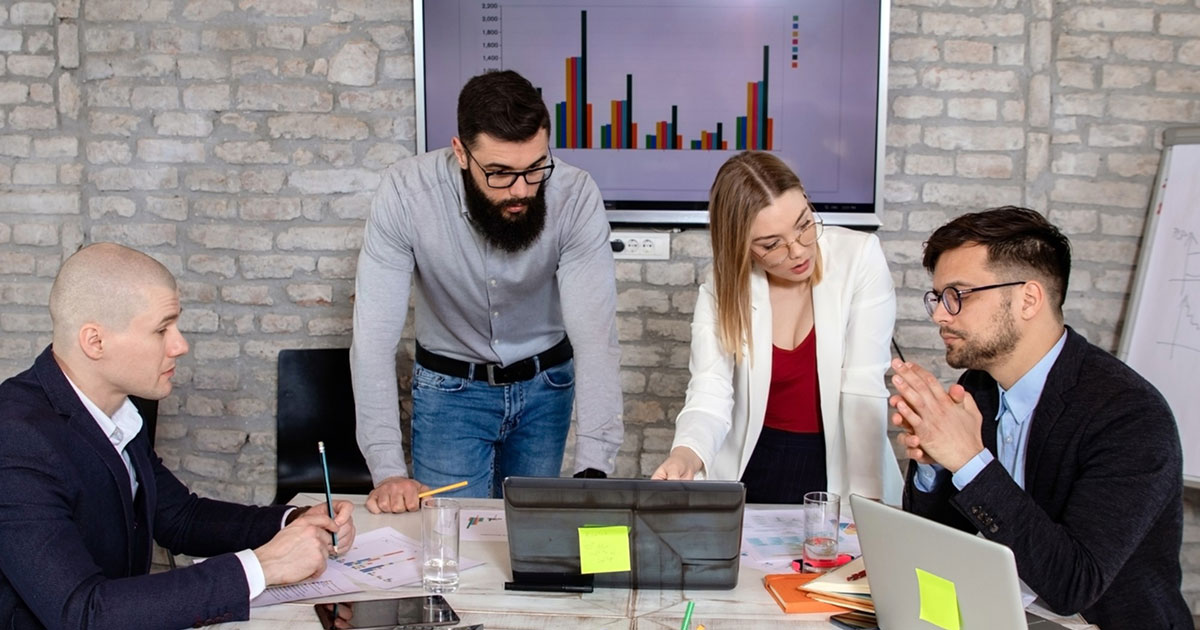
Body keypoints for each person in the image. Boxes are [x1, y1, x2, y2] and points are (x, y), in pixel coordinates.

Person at [0, 243, 357, 630]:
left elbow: (179, 517)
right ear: (95, 341)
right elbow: (84, 613)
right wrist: (265, 566)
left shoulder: (114, 409)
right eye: (161, 329)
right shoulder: (16, 439)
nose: (180, 345)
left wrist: (293, 521)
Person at [893, 207, 1191, 629]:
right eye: (939, 297)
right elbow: (945, 541)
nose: (941, 314)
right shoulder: (978, 384)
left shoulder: (1131, 417)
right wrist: (935, 464)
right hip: (1001, 613)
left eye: (958, 294)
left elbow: (1072, 585)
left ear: (1028, 299)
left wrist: (968, 460)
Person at [352, 69, 623, 512]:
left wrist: (594, 469)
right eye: (499, 173)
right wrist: (388, 470)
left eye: (535, 169)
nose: (520, 190)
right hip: (449, 392)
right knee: (450, 541)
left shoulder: (575, 195)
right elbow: (373, 340)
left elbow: (595, 337)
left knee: (530, 538)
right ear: (461, 152)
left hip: (546, 386)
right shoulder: (405, 192)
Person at [651, 151, 903, 505]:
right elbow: (710, 390)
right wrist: (686, 455)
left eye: (804, 225)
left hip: (839, 464)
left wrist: (867, 500)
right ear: (741, 247)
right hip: (753, 461)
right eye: (772, 245)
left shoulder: (860, 257)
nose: (798, 251)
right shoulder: (722, 285)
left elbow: (864, 386)